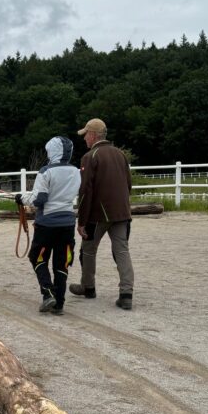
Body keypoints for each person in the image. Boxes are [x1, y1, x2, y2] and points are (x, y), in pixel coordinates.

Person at [69, 118, 134, 310]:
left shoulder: (90, 157)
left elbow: (85, 191)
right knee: (121, 250)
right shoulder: (120, 154)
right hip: (122, 212)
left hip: (99, 214)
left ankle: (88, 286)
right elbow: (128, 184)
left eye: (85, 135)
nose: (84, 139)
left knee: (88, 249)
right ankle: (126, 292)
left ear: (93, 135)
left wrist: (81, 221)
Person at [15, 136, 81, 315]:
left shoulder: (46, 172)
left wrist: (22, 198)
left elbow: (39, 199)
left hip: (47, 224)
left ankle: (48, 292)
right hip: (67, 223)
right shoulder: (76, 171)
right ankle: (59, 303)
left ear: (52, 152)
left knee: (37, 258)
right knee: (62, 262)